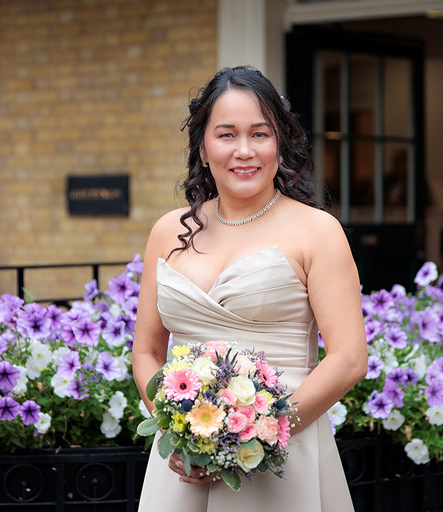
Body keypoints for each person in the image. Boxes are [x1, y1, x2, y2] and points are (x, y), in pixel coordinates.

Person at [131, 66, 367, 511]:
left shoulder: (317, 232)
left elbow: (349, 359)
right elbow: (146, 352)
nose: (244, 151)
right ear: (202, 147)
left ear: (280, 143)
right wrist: (173, 430)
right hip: (186, 466)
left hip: (282, 456)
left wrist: (258, 432)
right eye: (226, 135)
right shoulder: (167, 232)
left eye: (260, 134)